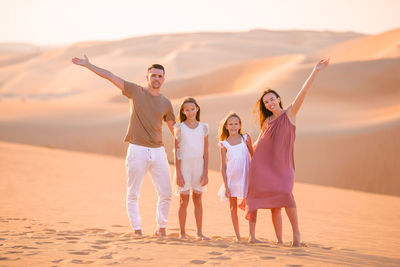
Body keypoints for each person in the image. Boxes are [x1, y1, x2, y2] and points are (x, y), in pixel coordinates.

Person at [71, 55, 175, 237]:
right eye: (153, 75)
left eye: (160, 76)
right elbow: (110, 76)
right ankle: (137, 230)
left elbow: (174, 129)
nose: (156, 79)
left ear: (164, 79)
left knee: (166, 193)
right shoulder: (135, 91)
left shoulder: (166, 103)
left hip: (159, 151)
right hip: (137, 149)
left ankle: (162, 228)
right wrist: (88, 65)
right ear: (147, 77)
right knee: (133, 193)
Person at [245, 59, 330, 246]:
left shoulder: (290, 114)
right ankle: (280, 240)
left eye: (272, 99)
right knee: (275, 207)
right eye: (266, 102)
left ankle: (296, 234)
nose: (269, 104)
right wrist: (248, 145)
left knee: (285, 194)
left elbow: (303, 92)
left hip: (285, 168)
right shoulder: (267, 123)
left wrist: (315, 71)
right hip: (266, 169)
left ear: (279, 99)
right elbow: (258, 149)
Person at [174, 97, 209, 240]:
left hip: (199, 167)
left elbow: (206, 152)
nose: (190, 112)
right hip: (184, 168)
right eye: (187, 110)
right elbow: (176, 152)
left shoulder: (204, 127)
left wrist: (205, 173)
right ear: (183, 112)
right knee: (184, 200)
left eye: (192, 109)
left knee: (198, 199)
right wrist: (179, 174)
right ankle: (182, 233)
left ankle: (199, 232)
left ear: (197, 109)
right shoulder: (179, 128)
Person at [217, 113, 253, 242]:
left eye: (236, 124)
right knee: (232, 207)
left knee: (251, 205)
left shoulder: (246, 138)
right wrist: (226, 186)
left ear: (240, 125)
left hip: (245, 177)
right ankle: (238, 237)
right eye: (230, 124)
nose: (233, 126)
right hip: (231, 179)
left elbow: (253, 156)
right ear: (226, 126)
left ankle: (251, 236)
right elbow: (223, 167)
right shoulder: (224, 144)